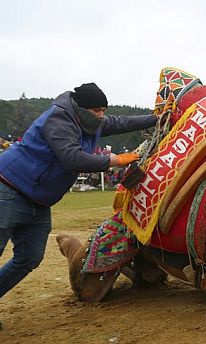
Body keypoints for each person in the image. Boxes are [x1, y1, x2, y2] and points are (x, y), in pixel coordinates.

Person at [0, 83, 158, 298]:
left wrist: (157, 119)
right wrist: (114, 160)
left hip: (38, 200)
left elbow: (120, 122)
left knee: (29, 258)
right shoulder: (59, 119)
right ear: (81, 108)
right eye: (96, 111)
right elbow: (72, 158)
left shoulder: (90, 122)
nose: (101, 116)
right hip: (9, 189)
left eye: (104, 111)